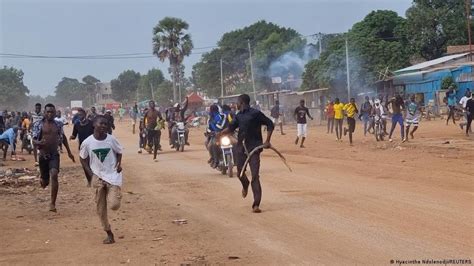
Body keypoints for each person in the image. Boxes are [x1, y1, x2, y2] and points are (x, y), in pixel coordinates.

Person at [219, 94, 274, 213]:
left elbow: (270, 124)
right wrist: (221, 133)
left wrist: (267, 140)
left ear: (242, 102)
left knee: (255, 175)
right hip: (241, 149)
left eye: (237, 102)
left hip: (254, 148)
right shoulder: (238, 116)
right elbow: (231, 128)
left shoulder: (256, 114)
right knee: (240, 174)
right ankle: (245, 185)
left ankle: (256, 204)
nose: (236, 105)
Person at [79, 115, 123, 244]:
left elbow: (119, 151)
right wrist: (90, 173)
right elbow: (83, 158)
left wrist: (119, 164)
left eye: (106, 124)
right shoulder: (87, 142)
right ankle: (108, 232)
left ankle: (117, 194)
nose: (103, 126)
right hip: (97, 177)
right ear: (94, 124)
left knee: (114, 205)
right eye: (101, 124)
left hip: (112, 175)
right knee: (100, 208)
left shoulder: (111, 140)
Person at [32, 103, 75, 212]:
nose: (50, 114)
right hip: (43, 155)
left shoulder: (58, 124)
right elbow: (34, 140)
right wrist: (39, 142)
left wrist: (69, 152)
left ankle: (52, 203)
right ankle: (43, 178)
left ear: (55, 112)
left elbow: (63, 137)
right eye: (48, 112)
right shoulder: (38, 124)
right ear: (44, 113)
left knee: (54, 175)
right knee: (45, 182)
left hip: (54, 155)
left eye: (52, 112)